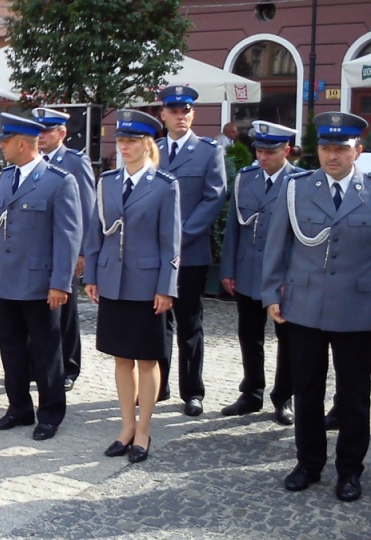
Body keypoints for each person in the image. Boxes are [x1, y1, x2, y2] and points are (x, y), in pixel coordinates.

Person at [263, 111, 371, 503]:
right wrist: (271, 294)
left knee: (355, 395)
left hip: (358, 310)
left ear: (357, 150)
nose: (333, 156)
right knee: (307, 390)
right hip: (304, 306)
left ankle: (349, 472)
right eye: (326, 148)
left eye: (341, 148)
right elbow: (277, 246)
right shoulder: (297, 189)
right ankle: (308, 464)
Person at [0, 113, 81, 440]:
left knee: (47, 351)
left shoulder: (58, 181)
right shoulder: (5, 178)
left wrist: (61, 283)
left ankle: (50, 413)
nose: (1, 147)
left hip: (40, 283)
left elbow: (68, 237)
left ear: (22, 143)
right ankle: (18, 407)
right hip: (8, 280)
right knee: (12, 349)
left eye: (4, 142)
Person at [84, 110, 181, 463]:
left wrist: (166, 287)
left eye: (131, 141)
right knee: (121, 357)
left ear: (146, 144)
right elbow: (95, 233)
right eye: (120, 141)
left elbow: (172, 241)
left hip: (146, 282)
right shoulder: (107, 181)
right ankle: (126, 427)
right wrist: (91, 275)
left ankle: (143, 430)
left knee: (147, 358)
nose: (123, 147)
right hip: (113, 281)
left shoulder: (165, 185)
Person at [219, 121, 301, 426]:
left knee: (286, 338)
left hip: (282, 274)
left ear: (286, 151)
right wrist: (228, 268)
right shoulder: (246, 178)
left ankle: (283, 397)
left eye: (270, 151)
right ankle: (251, 392)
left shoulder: (299, 182)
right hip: (248, 270)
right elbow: (233, 227)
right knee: (249, 334)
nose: (262, 157)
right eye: (259, 150)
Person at [156, 85, 227, 416]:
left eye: (186, 111)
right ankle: (159, 384)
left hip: (190, 253)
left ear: (193, 115)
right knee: (157, 321)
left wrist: (180, 235)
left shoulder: (208, 151)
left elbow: (214, 197)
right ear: (164, 115)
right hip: (155, 254)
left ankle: (192, 391)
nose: (180, 116)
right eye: (174, 111)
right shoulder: (152, 151)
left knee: (189, 323)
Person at [32, 107, 96, 391]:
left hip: (65, 249)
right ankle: (43, 362)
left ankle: (69, 366)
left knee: (66, 311)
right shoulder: (34, 162)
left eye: (47, 130)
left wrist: (82, 252)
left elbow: (86, 209)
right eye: (39, 130)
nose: (41, 136)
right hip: (38, 252)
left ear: (62, 133)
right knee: (40, 309)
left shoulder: (74, 162)